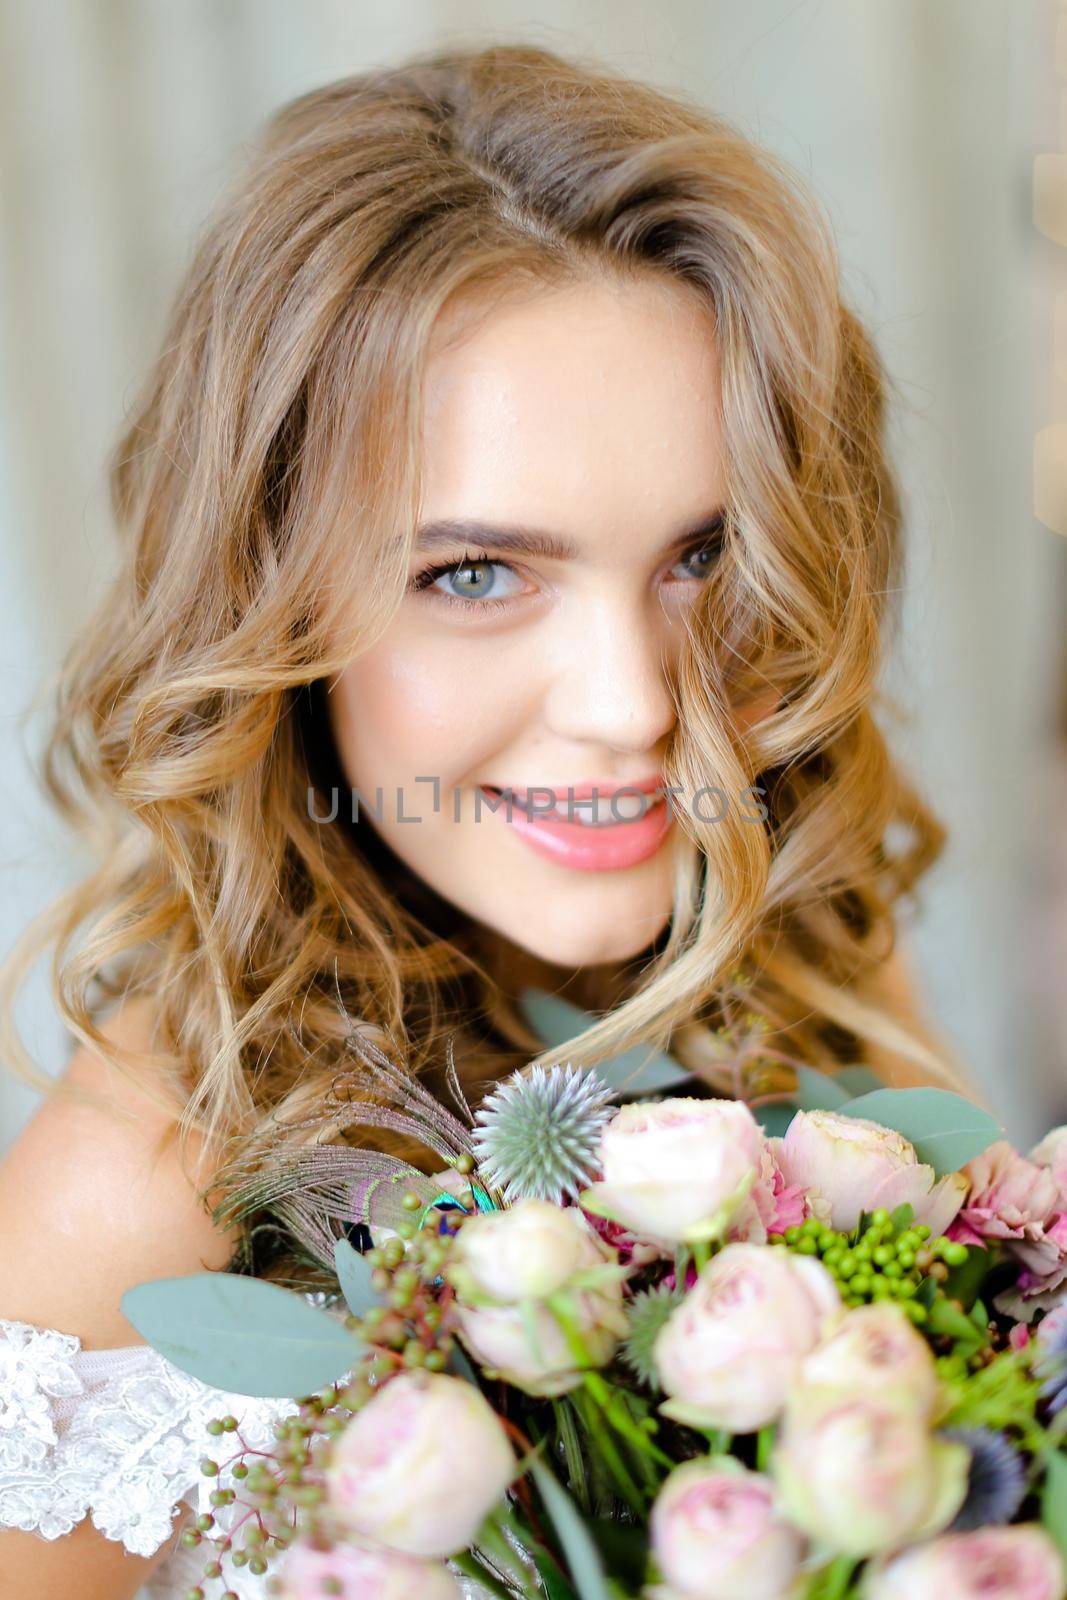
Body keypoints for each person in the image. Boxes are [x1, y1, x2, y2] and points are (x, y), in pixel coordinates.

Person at [0, 39, 970, 1599]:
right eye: (473, 574)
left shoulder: (816, 977)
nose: (636, 704)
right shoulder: (141, 1187)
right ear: (272, 598)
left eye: (703, 555)